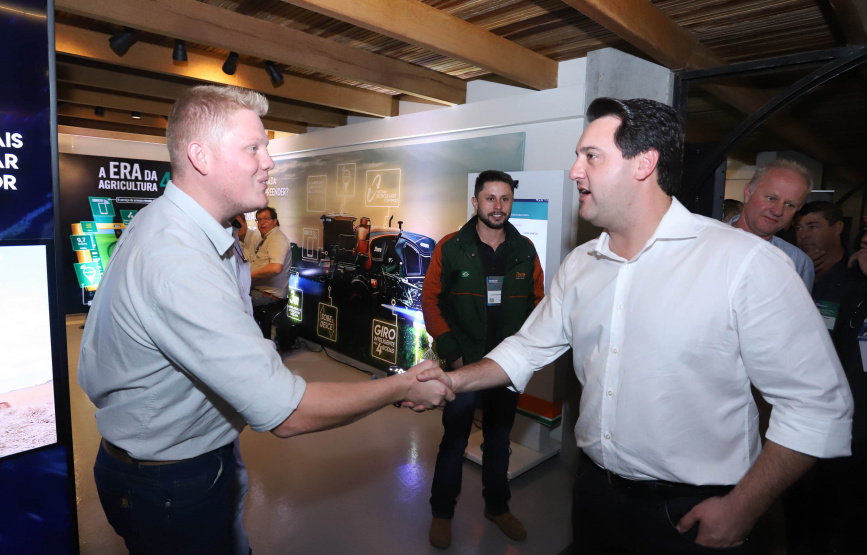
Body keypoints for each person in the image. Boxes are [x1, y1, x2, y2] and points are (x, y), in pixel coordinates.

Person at [415, 97, 853, 554]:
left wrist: (744, 505)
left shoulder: (745, 264)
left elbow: (818, 408)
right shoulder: (582, 264)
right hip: (592, 493)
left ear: (644, 164)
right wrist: (451, 379)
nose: (574, 171)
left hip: (694, 512)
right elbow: (525, 349)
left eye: (591, 156)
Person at [78, 84, 452, 555]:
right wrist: (402, 385)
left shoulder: (182, 228)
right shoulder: (177, 259)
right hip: (173, 484)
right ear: (201, 156)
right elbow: (287, 412)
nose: (268, 162)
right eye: (253, 148)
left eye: (266, 148)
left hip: (181, 464)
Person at [421, 170, 544, 549]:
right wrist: (454, 356)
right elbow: (431, 301)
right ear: (475, 202)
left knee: (499, 440)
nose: (498, 206)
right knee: (454, 443)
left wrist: (523, 356)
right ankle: (442, 513)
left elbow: (540, 306)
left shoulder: (524, 250)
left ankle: (498, 507)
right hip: (464, 367)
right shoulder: (451, 247)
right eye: (490, 198)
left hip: (505, 369)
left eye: (505, 199)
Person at [784, 202, 867, 553]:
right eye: (800, 227)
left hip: (849, 415)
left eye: (814, 226)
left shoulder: (856, 280)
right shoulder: (794, 272)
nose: (805, 235)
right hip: (797, 407)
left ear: (838, 228)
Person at [729, 160, 815, 291]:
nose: (778, 211)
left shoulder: (797, 262)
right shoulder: (705, 242)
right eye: (771, 198)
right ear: (748, 193)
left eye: (789, 205)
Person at [249, 206, 292, 308]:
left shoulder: (277, 238)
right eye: (259, 219)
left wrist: (249, 275)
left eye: (266, 219)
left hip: (268, 296)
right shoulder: (268, 237)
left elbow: (276, 268)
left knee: (232, 302)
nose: (262, 222)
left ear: (275, 221)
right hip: (259, 292)